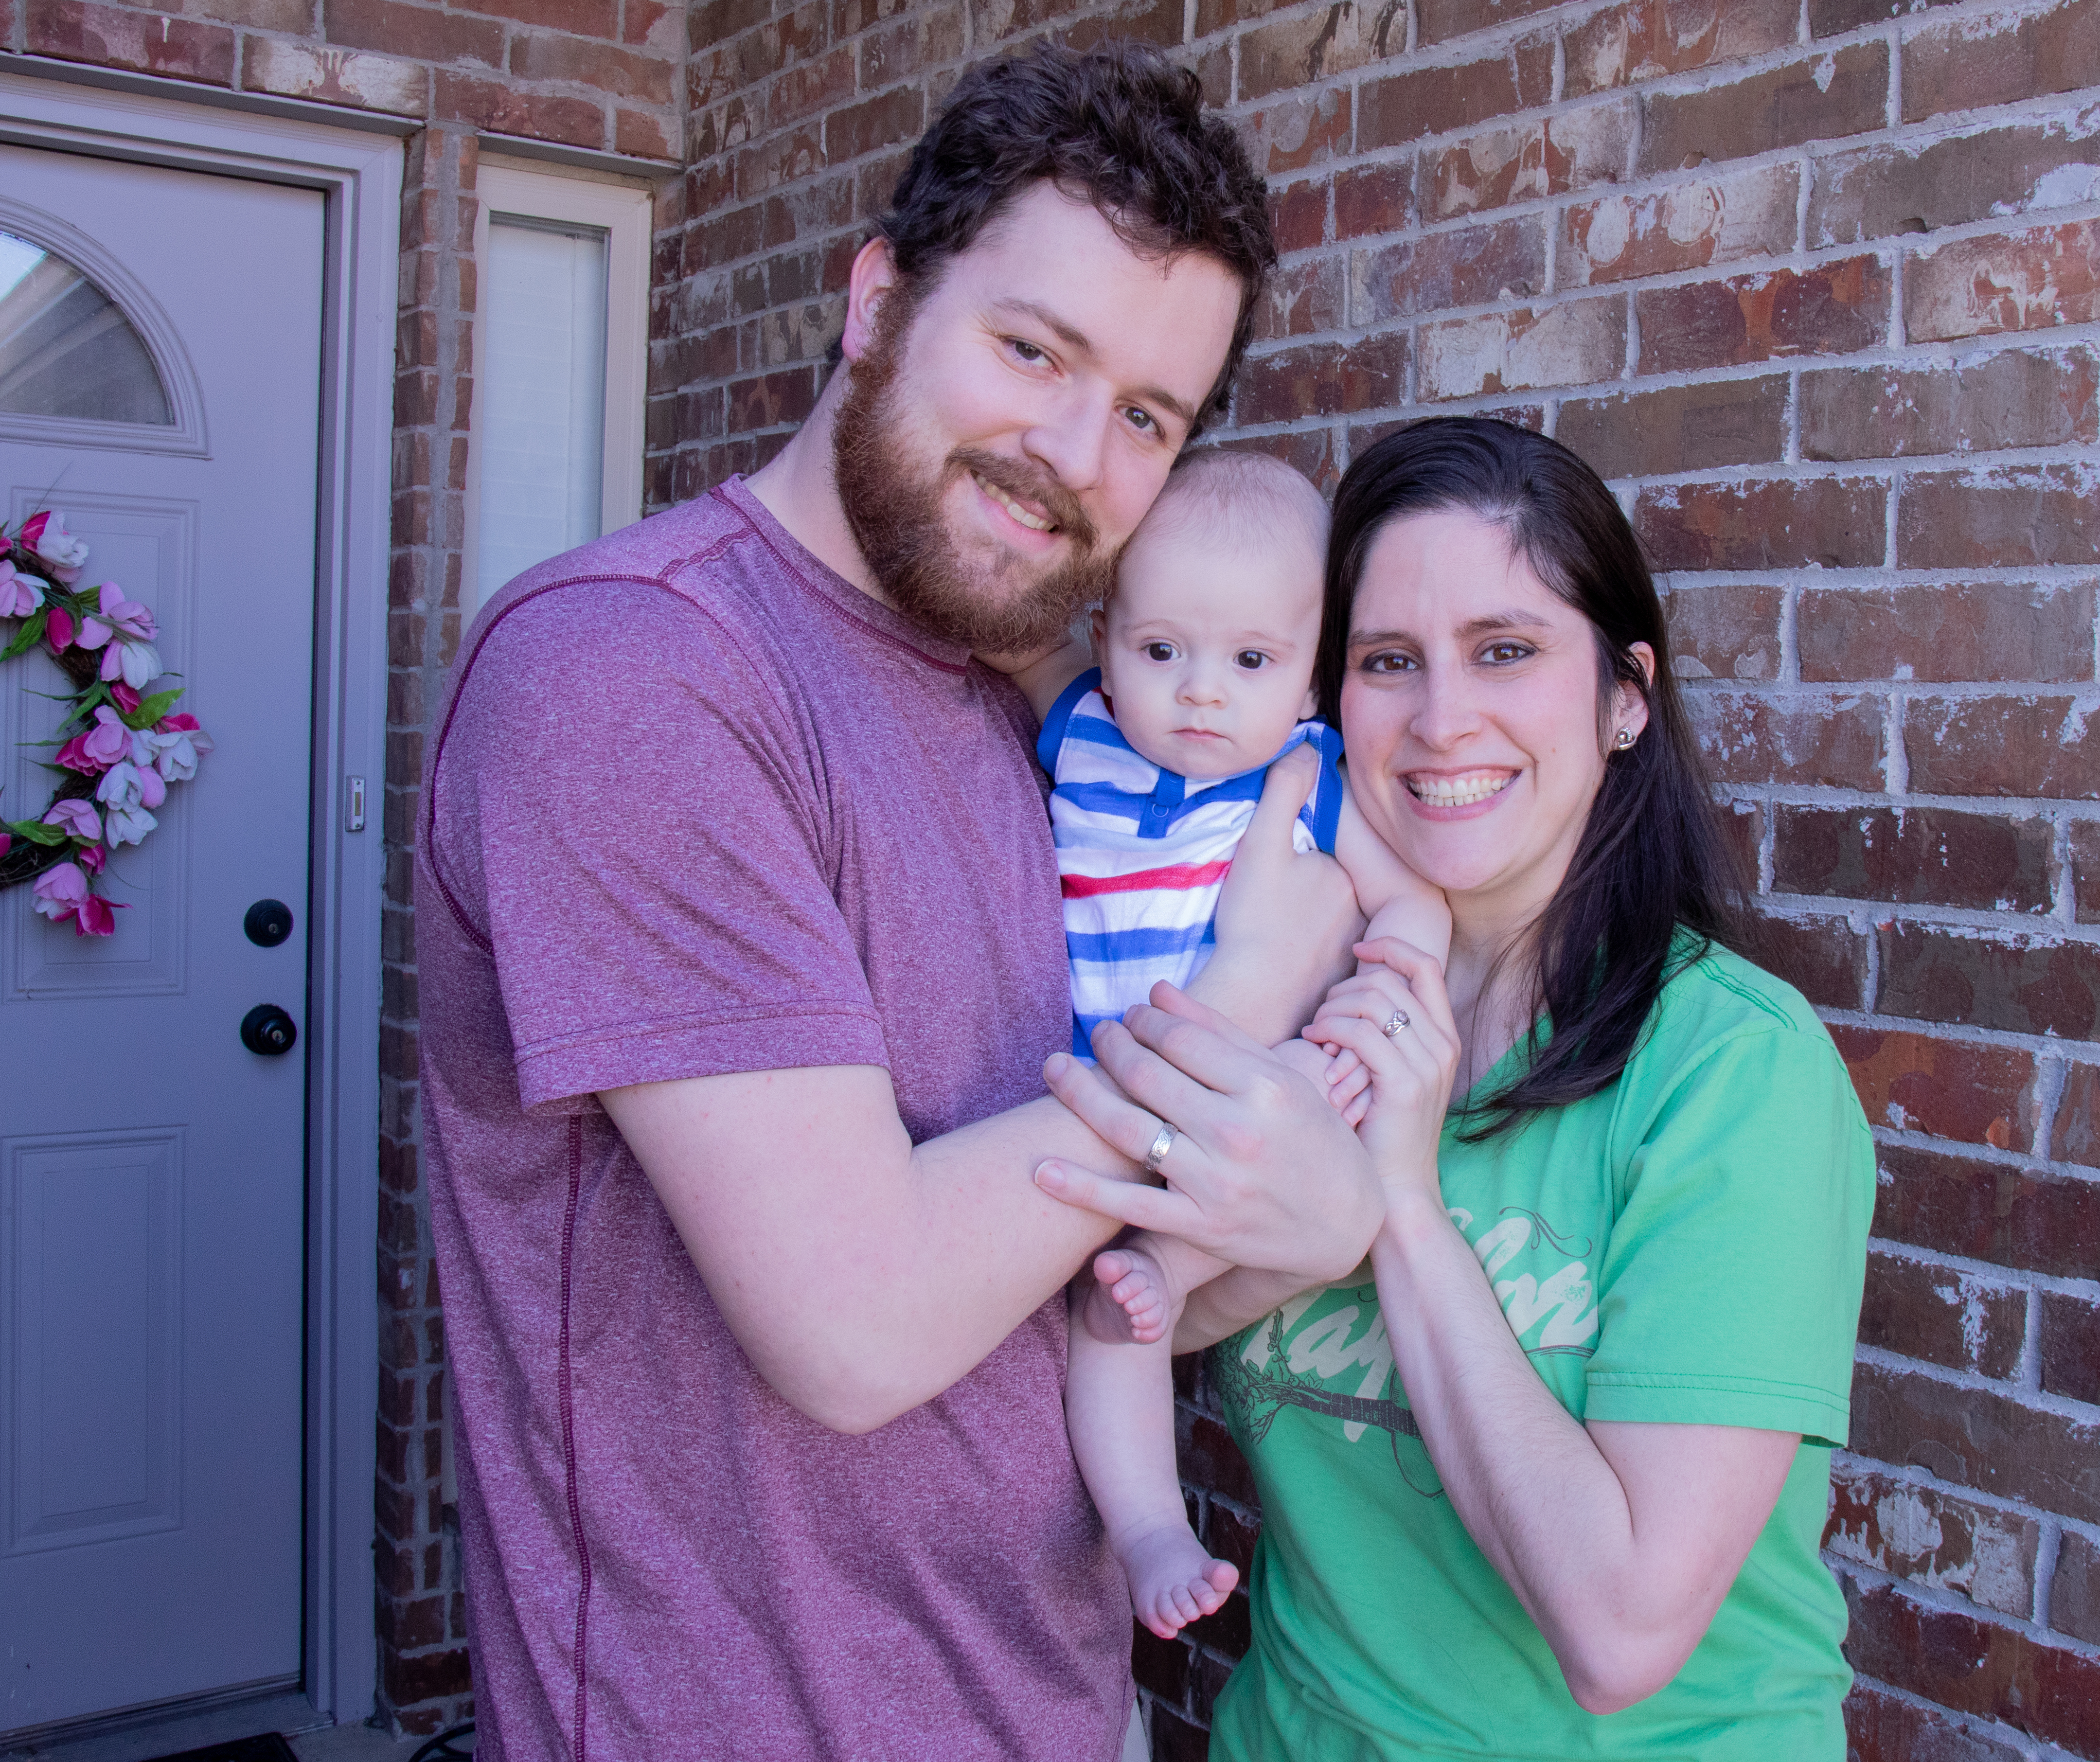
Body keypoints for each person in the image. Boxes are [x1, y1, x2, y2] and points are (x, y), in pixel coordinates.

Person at [415, 42, 1382, 1760]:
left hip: (1036, 1700)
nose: (1073, 452)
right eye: (1031, 348)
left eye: (1147, 414)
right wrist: (1241, 994)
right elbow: (857, 1324)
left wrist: (1305, 1212)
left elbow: (1064, 1269)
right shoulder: (633, 673)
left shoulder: (1030, 722)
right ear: (876, 301)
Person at [1035, 417, 1874, 1760]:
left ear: (1625, 695)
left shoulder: (1733, 1074)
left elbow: (1620, 1636)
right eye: (1387, 662)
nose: (1440, 720)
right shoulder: (1295, 1027)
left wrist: (1403, 1208)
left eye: (1506, 651)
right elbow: (1124, 1317)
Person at [1003, 449, 1447, 1640]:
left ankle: (1177, 1275)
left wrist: (1384, 989)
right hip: (1101, 1101)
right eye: (1163, 652)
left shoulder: (1305, 780)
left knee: (1132, 1301)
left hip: (1238, 1109)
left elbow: (1412, 904)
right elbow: (1008, 638)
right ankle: (1149, 1530)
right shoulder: (1080, 733)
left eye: (1249, 662)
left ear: (1307, 674)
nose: (1202, 693)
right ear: (1107, 643)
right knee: (1112, 1321)